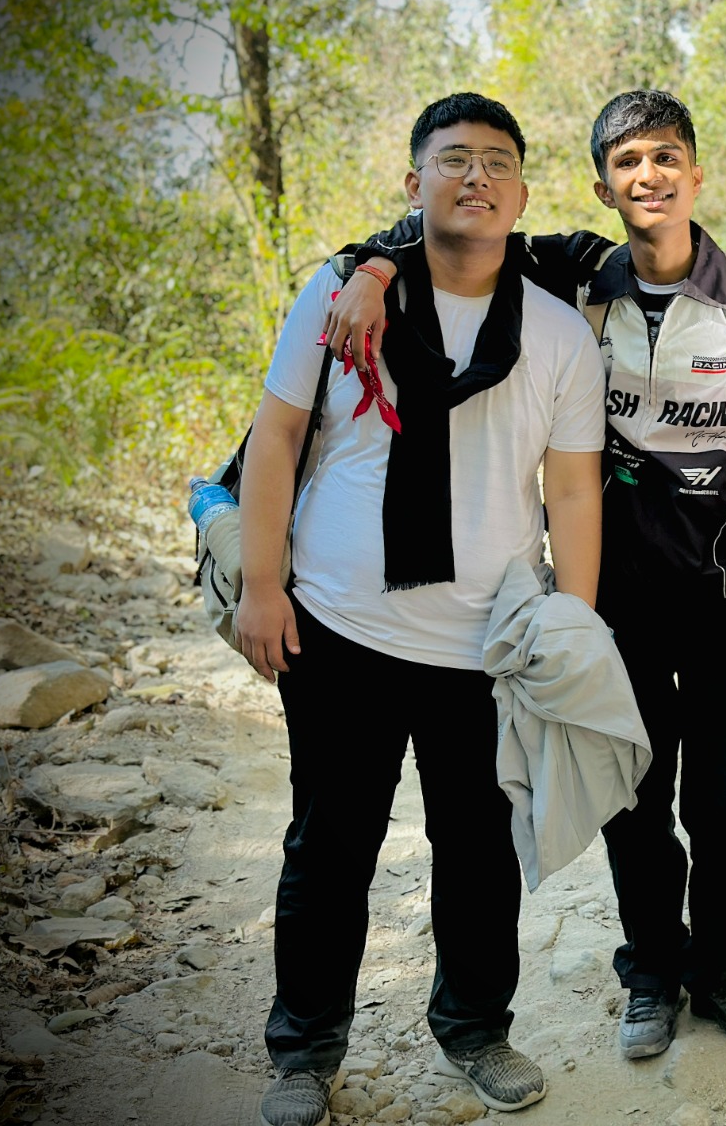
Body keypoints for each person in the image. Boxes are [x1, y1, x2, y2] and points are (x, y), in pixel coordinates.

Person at [325, 90, 726, 1059]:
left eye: (665, 157)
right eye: (627, 162)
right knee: (633, 803)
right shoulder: (572, 273)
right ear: (602, 187)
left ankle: (719, 970)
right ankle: (652, 975)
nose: (649, 176)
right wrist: (373, 265)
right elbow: (456, 227)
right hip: (619, 605)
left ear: (695, 173)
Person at [238, 92, 605, 1126]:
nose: (476, 176)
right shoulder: (341, 296)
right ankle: (304, 1050)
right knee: (329, 847)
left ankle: (476, 1030)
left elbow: (573, 491)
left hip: (487, 645)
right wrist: (261, 585)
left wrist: (570, 627)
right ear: (414, 184)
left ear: (521, 196)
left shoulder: (556, 332)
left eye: (497, 162)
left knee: (480, 854)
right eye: (453, 159)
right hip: (340, 626)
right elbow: (275, 438)